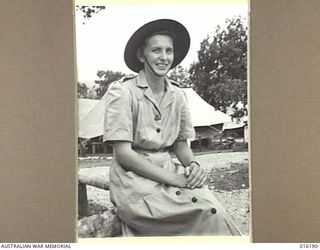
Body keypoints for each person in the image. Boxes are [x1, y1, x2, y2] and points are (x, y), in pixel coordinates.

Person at [103, 19, 242, 236]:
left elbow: (181, 145)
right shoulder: (122, 91)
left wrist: (193, 165)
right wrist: (176, 180)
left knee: (215, 211)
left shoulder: (178, 95)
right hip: (134, 183)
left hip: (169, 173)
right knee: (203, 214)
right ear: (142, 56)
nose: (164, 57)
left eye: (169, 51)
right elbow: (123, 154)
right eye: (156, 50)